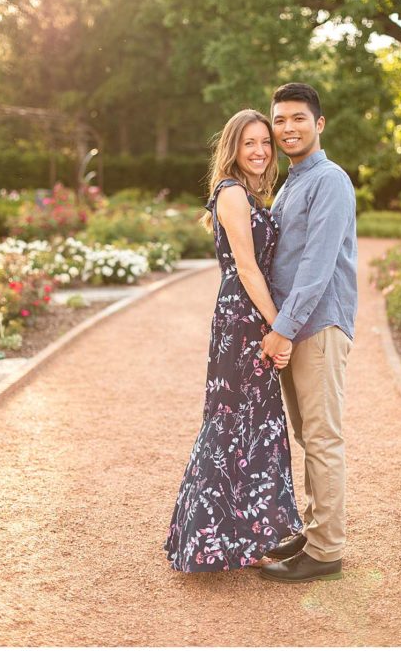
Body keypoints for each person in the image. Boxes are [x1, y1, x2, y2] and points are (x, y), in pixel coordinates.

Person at [164, 109, 302, 572]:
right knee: (231, 421)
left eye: (265, 141)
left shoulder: (252, 194)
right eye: (250, 143)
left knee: (255, 422)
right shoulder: (231, 193)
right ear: (233, 149)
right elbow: (246, 268)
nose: (261, 150)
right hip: (242, 319)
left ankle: (248, 538)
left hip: (250, 315)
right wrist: (280, 326)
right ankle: (206, 539)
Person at [259, 83, 356, 583]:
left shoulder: (330, 181)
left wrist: (283, 328)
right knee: (307, 434)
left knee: (321, 437)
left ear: (319, 124)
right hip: (295, 329)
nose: (288, 128)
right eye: (280, 120)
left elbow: (317, 268)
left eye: (298, 118)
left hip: (316, 327)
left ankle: (326, 551)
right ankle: (316, 529)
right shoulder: (291, 182)